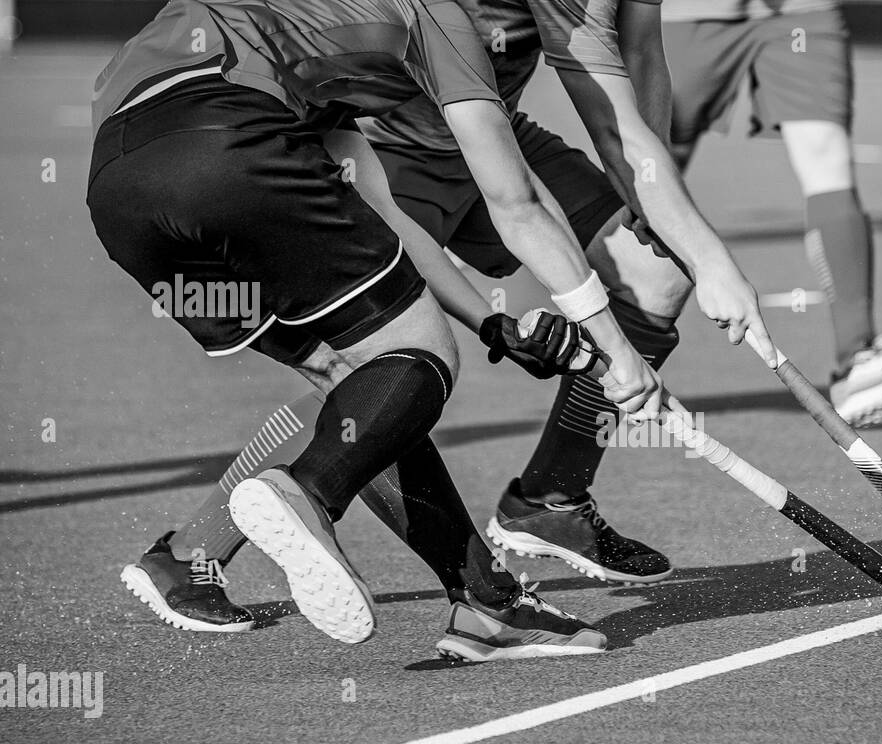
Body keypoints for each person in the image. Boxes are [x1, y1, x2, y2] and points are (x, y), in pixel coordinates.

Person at [123, 0, 788, 639]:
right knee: (372, 360)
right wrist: (709, 261)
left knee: (653, 277)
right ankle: (198, 550)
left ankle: (549, 503)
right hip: (385, 142)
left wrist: (663, 219)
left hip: (490, 132)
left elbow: (641, 54)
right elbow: (597, 132)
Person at [660, 0, 882, 425]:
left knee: (826, 154)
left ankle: (857, 363)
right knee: (657, 171)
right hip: (689, 14)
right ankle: (608, 340)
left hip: (800, 10)